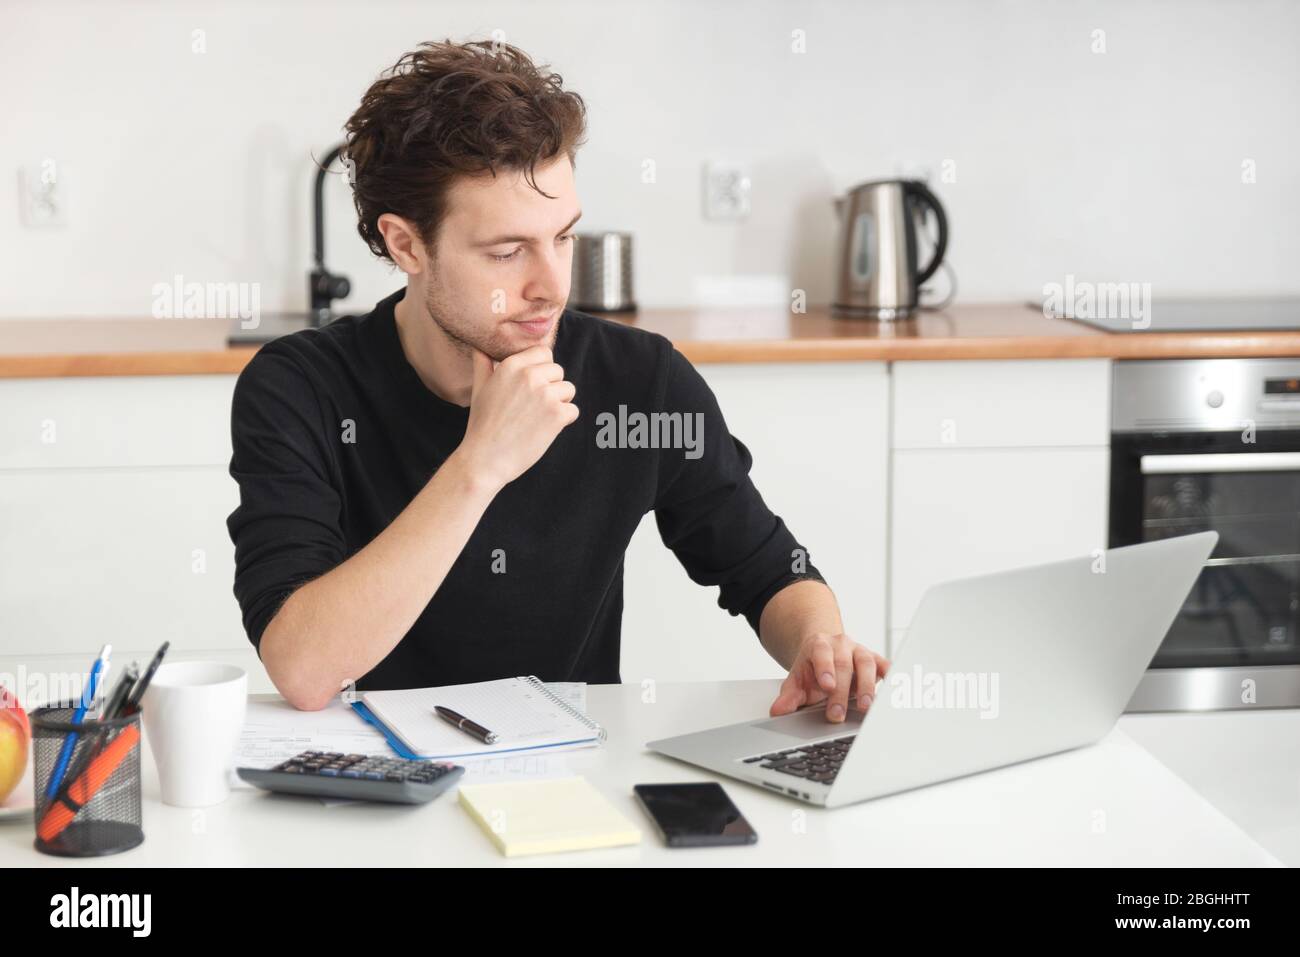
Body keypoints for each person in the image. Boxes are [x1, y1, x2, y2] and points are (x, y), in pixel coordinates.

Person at [226, 39, 889, 720]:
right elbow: (304, 670)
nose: (550, 286)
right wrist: (479, 464)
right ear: (406, 244)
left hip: (570, 780)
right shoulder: (300, 389)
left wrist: (820, 641)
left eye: (564, 237)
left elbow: (772, 569)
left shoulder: (640, 382)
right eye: (508, 250)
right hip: (375, 782)